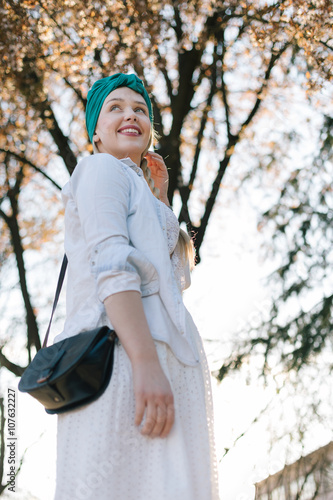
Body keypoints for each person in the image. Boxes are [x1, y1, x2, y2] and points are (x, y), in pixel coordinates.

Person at [54, 73, 219, 500]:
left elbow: (174, 283)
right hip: (124, 362)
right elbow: (112, 267)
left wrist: (160, 199)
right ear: (95, 132)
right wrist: (145, 362)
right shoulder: (98, 168)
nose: (131, 114)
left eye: (140, 109)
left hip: (161, 366)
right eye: (116, 107)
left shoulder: (137, 188)